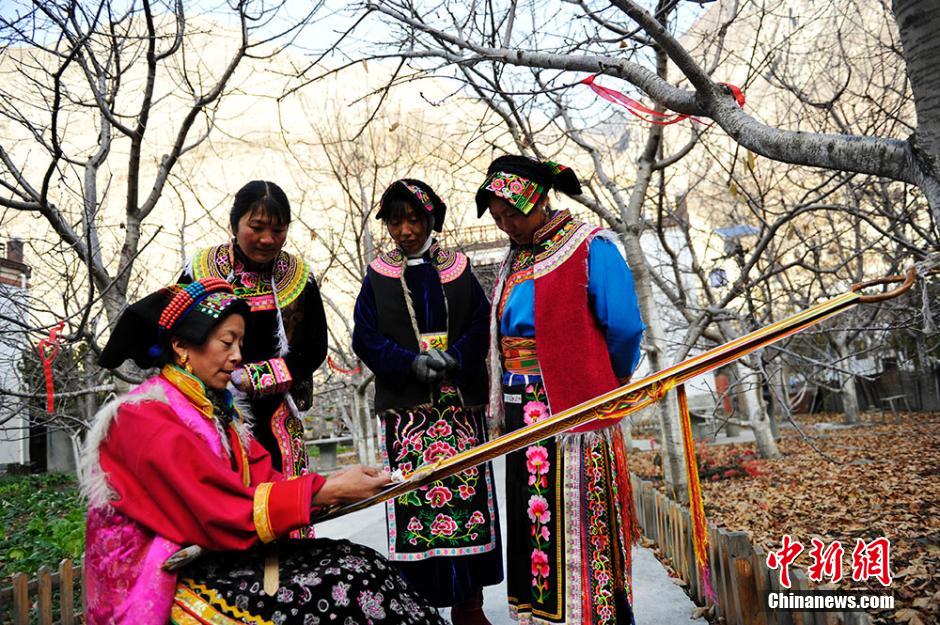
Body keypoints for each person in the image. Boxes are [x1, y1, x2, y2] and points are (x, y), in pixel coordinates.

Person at [84, 277, 446, 625]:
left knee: (365, 564)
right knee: (348, 587)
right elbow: (216, 511)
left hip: (212, 557)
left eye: (240, 343)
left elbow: (262, 479)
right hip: (158, 577)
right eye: (227, 342)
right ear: (181, 346)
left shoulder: (212, 409)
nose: (238, 356)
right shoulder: (143, 418)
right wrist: (328, 491)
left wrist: (331, 484)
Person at [475, 155, 645, 625]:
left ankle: (594, 615)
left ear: (540, 201)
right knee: (533, 522)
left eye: (512, 214)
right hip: (520, 412)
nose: (507, 226)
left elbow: (625, 327)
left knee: (580, 519)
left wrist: (604, 380)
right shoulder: (516, 258)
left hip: (572, 410)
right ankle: (542, 615)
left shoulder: (589, 247)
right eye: (498, 218)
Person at [353, 179, 502, 624]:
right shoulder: (378, 276)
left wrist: (455, 357)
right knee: (417, 509)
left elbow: (481, 323)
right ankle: (420, 611)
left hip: (457, 411)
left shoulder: (459, 268)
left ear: (431, 219)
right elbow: (365, 337)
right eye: (395, 222)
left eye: (414, 219)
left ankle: (469, 606)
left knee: (467, 507)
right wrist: (408, 363)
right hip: (409, 419)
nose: (405, 230)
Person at [180, 180, 328, 490]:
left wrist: (256, 377)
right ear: (234, 224)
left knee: (288, 498)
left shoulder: (299, 277)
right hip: (213, 409)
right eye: (257, 227)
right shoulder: (202, 270)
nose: (267, 239)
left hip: (279, 414)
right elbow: (178, 334)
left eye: (278, 229)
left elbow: (314, 349)